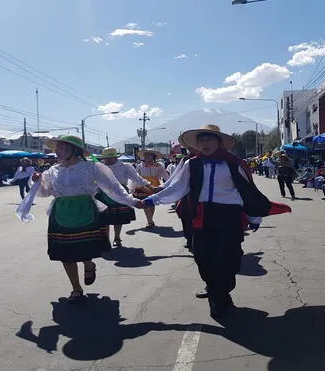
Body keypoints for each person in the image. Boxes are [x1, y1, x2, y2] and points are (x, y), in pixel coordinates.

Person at [142, 124, 272, 318]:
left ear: (219, 143)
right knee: (202, 256)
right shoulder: (191, 164)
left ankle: (220, 293)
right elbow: (178, 187)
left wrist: (254, 216)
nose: (205, 143)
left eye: (209, 139)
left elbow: (247, 191)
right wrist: (153, 199)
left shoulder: (233, 163)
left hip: (229, 216)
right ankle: (215, 292)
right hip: (201, 215)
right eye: (201, 140)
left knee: (229, 258)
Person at [27, 136, 143, 302]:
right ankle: (76, 288)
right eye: (57, 148)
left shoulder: (91, 167)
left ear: (75, 150)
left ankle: (88, 264)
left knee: (83, 249)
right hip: (61, 213)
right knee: (65, 253)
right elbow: (44, 192)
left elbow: (113, 188)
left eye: (61, 148)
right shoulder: (52, 171)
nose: (56, 151)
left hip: (85, 210)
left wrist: (133, 201)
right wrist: (37, 182)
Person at [97, 147, 151, 247]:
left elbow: (136, 178)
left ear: (115, 157)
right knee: (104, 219)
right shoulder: (99, 167)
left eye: (110, 158)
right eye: (106, 158)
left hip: (120, 192)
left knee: (117, 218)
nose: (107, 160)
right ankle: (106, 241)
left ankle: (117, 238)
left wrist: (148, 185)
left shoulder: (124, 166)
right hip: (104, 194)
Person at [134, 149, 170, 228]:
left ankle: (150, 219)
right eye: (146, 155)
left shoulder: (159, 165)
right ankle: (149, 220)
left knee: (152, 203)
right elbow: (136, 176)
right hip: (143, 186)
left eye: (149, 155)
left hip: (154, 186)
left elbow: (165, 175)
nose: (147, 157)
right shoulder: (140, 165)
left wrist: (170, 183)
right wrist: (134, 186)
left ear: (153, 157)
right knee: (145, 203)